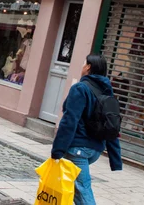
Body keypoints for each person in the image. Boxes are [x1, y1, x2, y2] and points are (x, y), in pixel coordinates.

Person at [51, 54, 123, 205]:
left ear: (88, 67)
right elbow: (112, 127)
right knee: (72, 187)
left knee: (82, 189)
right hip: (95, 150)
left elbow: (70, 121)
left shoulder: (80, 88)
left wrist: (57, 150)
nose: (82, 66)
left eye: (84, 63)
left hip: (78, 150)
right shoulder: (106, 92)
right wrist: (115, 159)